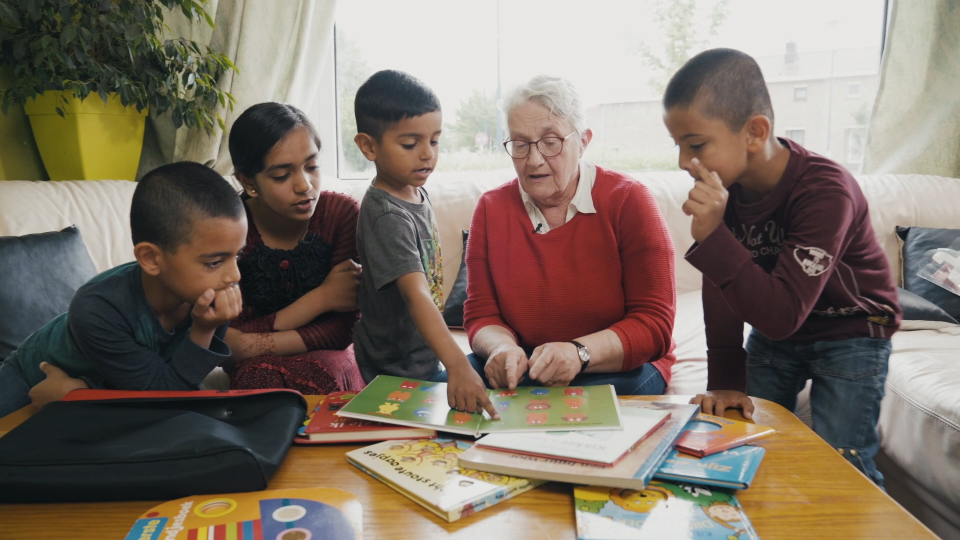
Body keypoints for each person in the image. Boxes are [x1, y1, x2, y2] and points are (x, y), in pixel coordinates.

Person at [662, 48, 900, 486]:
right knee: (741, 442)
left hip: (852, 328)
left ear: (755, 131)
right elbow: (725, 292)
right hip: (779, 336)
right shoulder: (726, 191)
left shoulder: (826, 191)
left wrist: (713, 236)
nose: (683, 162)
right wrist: (726, 382)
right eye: (678, 146)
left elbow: (781, 314)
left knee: (840, 465)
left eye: (695, 145)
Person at [464, 75, 677, 397]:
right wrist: (500, 350)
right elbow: (482, 314)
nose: (534, 160)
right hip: (526, 362)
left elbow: (654, 324)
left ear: (584, 141)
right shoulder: (491, 209)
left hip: (617, 365)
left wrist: (579, 353)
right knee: (445, 389)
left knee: (577, 407)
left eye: (551, 142)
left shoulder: (629, 200)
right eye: (520, 144)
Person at [0, 162, 246, 418]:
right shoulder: (98, 307)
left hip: (112, 387)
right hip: (33, 376)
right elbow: (163, 393)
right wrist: (203, 330)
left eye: (237, 256)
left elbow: (170, 394)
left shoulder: (213, 298)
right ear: (150, 258)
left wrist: (81, 393)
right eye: (214, 262)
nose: (234, 275)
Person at [351, 70, 498, 418]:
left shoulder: (415, 192)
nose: (427, 154)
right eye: (410, 144)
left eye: (434, 141)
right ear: (369, 146)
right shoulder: (387, 215)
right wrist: (458, 366)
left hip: (423, 358)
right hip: (395, 371)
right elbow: (416, 294)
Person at [224, 102, 365, 393]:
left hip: (332, 360)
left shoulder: (339, 214)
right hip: (257, 370)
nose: (304, 185)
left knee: (329, 371)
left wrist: (248, 344)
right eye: (281, 175)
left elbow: (344, 330)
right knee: (257, 378)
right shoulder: (229, 227)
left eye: (312, 167)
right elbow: (226, 340)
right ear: (248, 181)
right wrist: (321, 299)